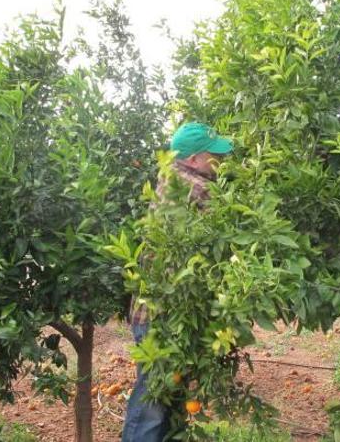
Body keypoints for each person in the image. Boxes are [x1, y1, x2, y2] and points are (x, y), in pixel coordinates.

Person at [121, 122, 233, 442]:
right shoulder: (189, 184)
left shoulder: (175, 178)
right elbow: (231, 218)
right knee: (152, 403)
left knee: (164, 400)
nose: (221, 162)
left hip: (171, 314)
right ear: (195, 159)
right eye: (215, 155)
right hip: (161, 317)